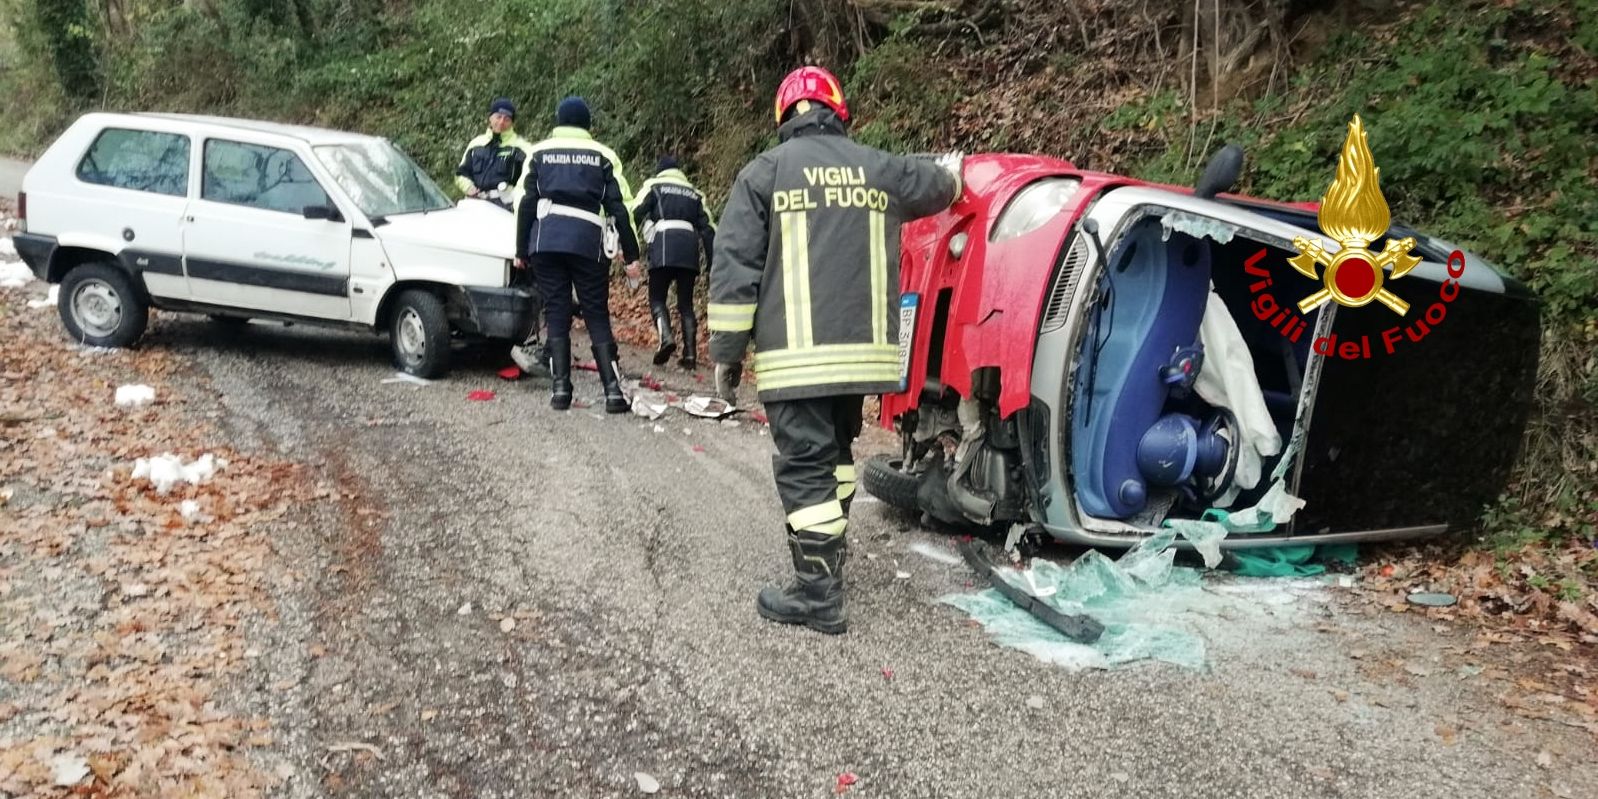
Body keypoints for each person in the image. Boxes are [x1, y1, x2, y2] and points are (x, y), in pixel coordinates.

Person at [708, 66, 961, 634]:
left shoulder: (764, 174)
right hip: (863, 360)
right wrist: (952, 169)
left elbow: (734, 269)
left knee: (805, 465)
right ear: (839, 112)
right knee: (837, 458)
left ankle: (818, 592)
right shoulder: (879, 169)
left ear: (783, 117)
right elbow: (941, 185)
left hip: (796, 360)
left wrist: (727, 354)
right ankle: (828, 553)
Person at [514, 95, 642, 413]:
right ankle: (613, 393)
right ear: (587, 125)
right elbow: (620, 208)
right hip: (587, 242)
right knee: (595, 312)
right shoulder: (603, 155)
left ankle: (560, 391)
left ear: (558, 122)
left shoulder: (538, 152)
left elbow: (525, 203)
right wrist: (631, 254)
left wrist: (520, 250)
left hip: (546, 241)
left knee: (556, 311)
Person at [629, 155, 716, 370]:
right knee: (686, 304)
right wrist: (712, 263)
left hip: (663, 246)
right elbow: (709, 229)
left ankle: (666, 337)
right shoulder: (695, 193)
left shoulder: (654, 185)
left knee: (657, 298)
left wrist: (628, 245)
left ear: (660, 170)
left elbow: (634, 212)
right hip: (688, 250)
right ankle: (690, 355)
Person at [454, 97, 534, 210]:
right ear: (490, 118)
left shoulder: (523, 148)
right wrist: (468, 188)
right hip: (475, 202)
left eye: (507, 119)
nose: (501, 122)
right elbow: (460, 174)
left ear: (512, 123)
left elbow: (531, 180)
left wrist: (513, 196)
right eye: (498, 117)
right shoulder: (476, 144)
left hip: (506, 206)